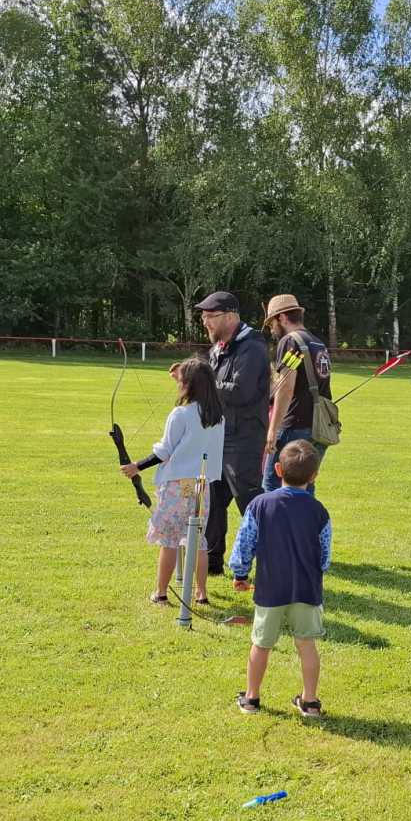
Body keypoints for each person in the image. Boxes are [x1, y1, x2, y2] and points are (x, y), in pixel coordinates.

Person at [228, 439, 331, 718]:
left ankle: (251, 697)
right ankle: (310, 701)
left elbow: (244, 543)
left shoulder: (260, 505)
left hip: (270, 588)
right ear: (314, 476)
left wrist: (240, 573)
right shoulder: (319, 510)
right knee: (307, 644)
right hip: (307, 589)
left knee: (261, 643)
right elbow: (324, 555)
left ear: (277, 469)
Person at [119, 356, 225, 607]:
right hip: (201, 484)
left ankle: (161, 593)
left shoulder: (181, 414)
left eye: (182, 381)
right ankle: (201, 593)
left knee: (169, 540)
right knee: (197, 539)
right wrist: (182, 373)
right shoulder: (218, 417)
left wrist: (136, 467)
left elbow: (164, 451)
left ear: (190, 384)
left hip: (178, 485)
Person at [197, 291, 270, 577]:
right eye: (203, 317)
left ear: (230, 316)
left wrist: (205, 382)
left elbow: (241, 391)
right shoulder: (219, 347)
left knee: (250, 503)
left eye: (210, 316)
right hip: (219, 435)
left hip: (244, 438)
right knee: (213, 501)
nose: (205, 322)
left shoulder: (252, 347)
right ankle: (212, 562)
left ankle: (273, 562)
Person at [261, 294, 332, 493]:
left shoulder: (290, 341)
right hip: (319, 428)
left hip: (294, 426)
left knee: (272, 486)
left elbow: (286, 388)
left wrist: (273, 429)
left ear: (282, 318)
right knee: (305, 485)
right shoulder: (317, 343)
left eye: (272, 323)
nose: (271, 329)